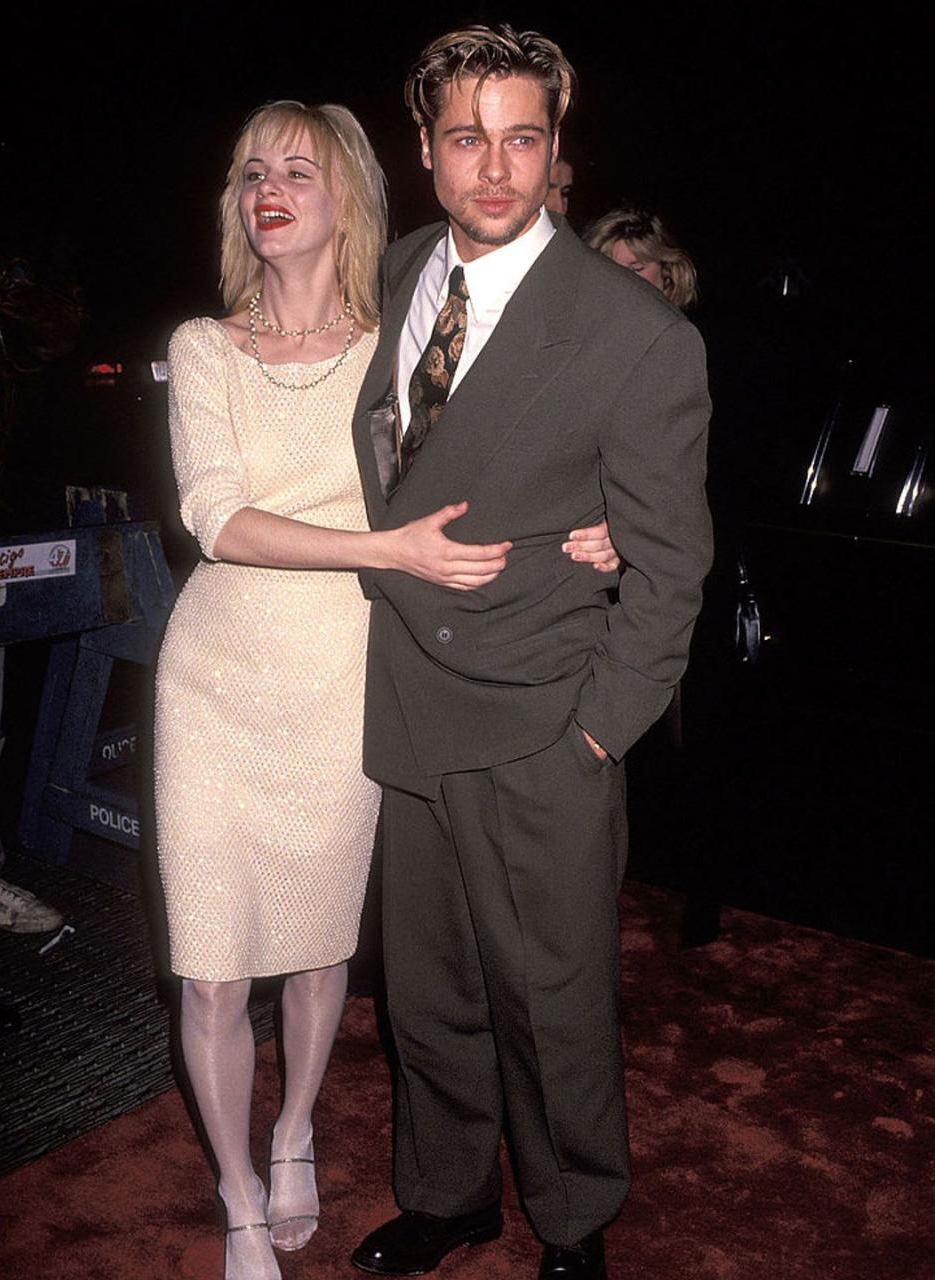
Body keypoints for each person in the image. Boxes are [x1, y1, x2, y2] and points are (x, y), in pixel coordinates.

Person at [154, 99, 613, 1280]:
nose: (271, 187)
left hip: (348, 679)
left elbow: (505, 459)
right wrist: (387, 549)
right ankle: (240, 1195)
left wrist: (596, 520)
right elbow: (214, 517)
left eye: (300, 170)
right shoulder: (205, 347)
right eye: (252, 168)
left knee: (318, 953)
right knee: (209, 963)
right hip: (214, 683)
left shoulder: (395, 343)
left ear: (349, 196)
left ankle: (298, 1126)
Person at [350, 25, 712, 1280]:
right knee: (430, 997)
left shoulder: (636, 335)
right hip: (408, 703)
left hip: (541, 720)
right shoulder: (398, 272)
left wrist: (598, 731)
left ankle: (571, 1220)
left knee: (552, 1007)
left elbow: (673, 567)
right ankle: (448, 1195)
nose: (494, 168)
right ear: (426, 151)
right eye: (466, 137)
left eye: (522, 137)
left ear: (557, 150)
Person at [584, 207, 699, 311]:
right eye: (612, 270)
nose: (623, 279)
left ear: (666, 270)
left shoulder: (676, 330)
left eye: (635, 269)